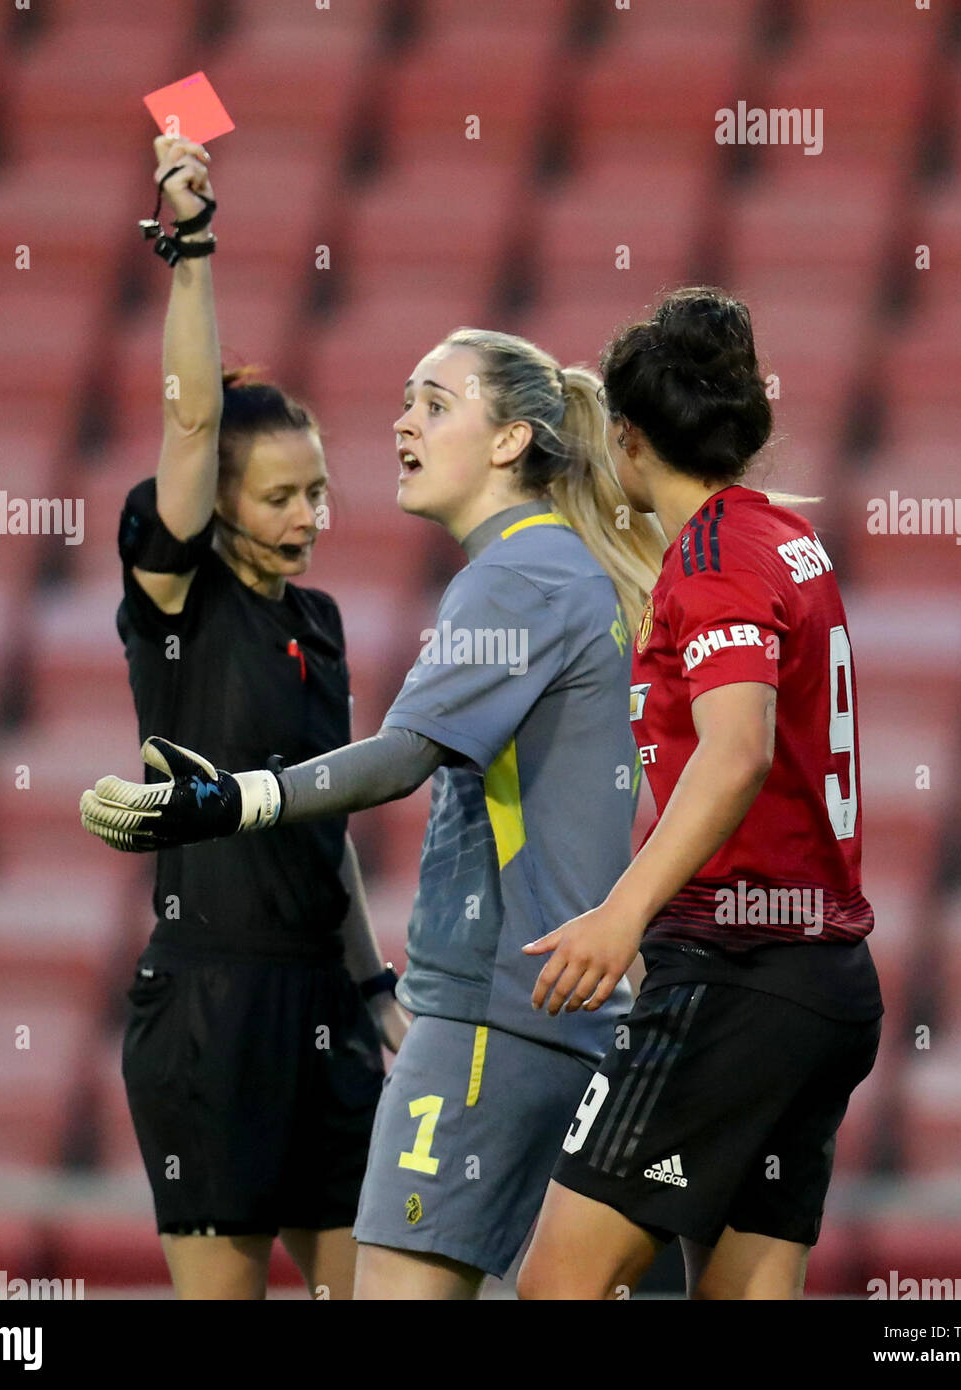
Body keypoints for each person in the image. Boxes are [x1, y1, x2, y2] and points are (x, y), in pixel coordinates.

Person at [81, 325, 667, 1298]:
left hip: (490, 1009)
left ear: (511, 440)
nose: (403, 423)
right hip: (543, 1007)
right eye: (407, 398)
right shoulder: (565, 568)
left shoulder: (512, 575)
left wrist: (233, 797)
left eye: (436, 404)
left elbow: (400, 759)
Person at [514, 286, 883, 1301]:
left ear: (629, 438)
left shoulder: (713, 558)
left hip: (736, 972)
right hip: (825, 979)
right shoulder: (782, 541)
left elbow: (737, 751)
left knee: (556, 1286)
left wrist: (620, 917)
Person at [111, 134, 407, 1301]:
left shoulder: (323, 621)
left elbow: (322, 822)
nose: (310, 515)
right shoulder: (177, 601)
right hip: (210, 1010)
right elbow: (189, 424)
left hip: (323, 1007)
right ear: (218, 501)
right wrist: (193, 250)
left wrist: (375, 988)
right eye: (280, 495)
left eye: (319, 489)